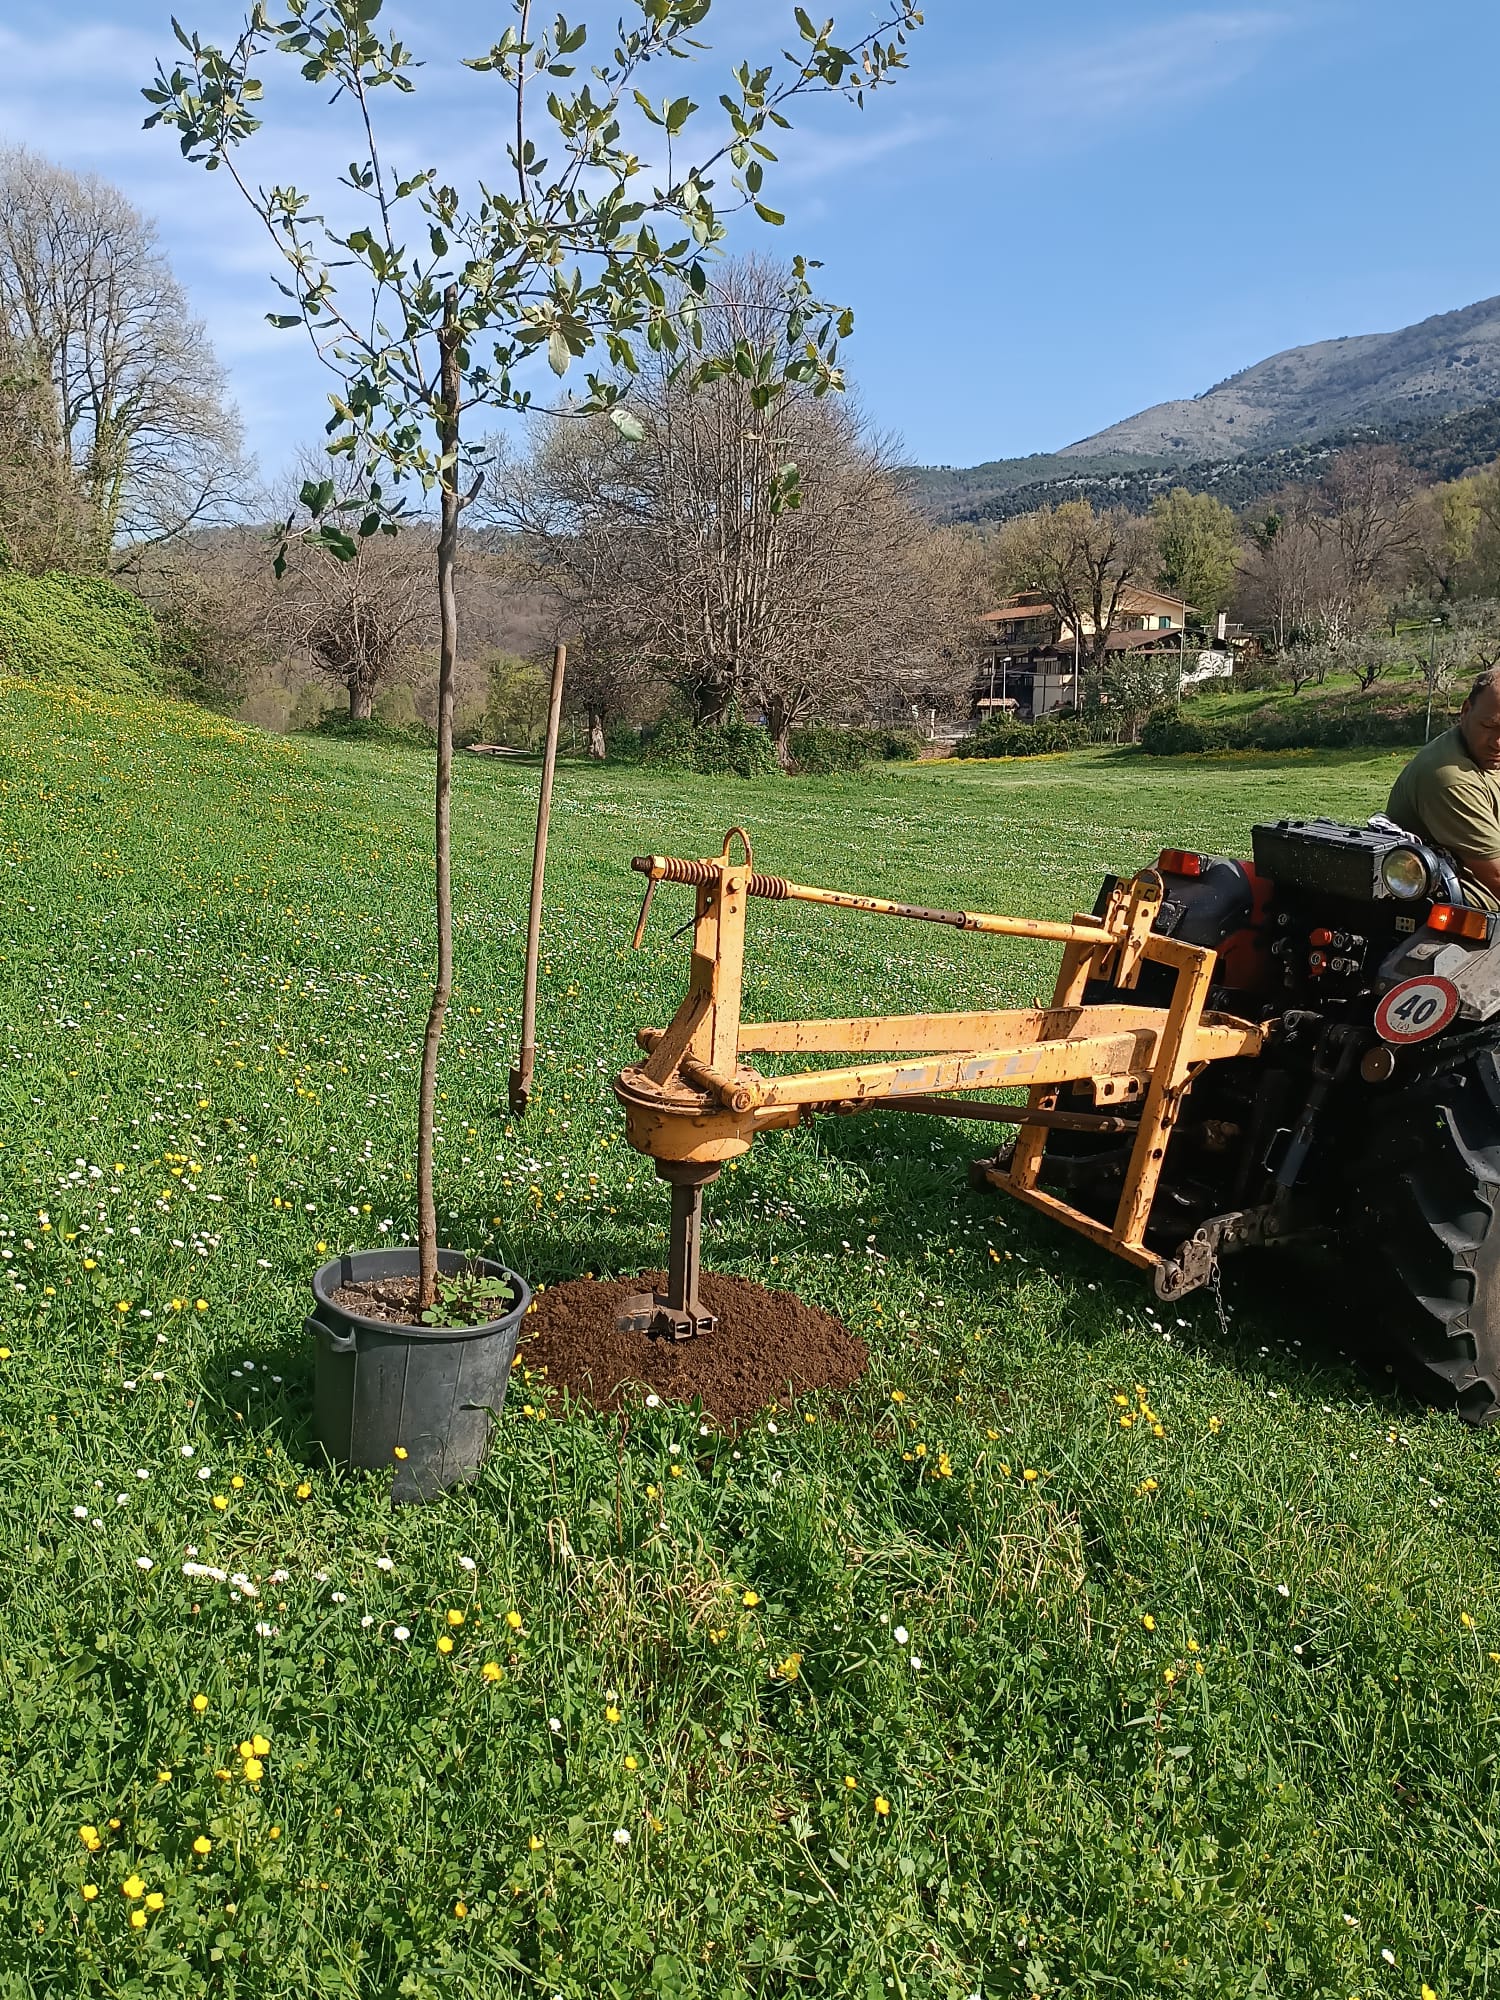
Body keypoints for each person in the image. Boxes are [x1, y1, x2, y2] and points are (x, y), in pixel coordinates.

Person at [1387, 666, 1500, 911]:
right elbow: (1496, 877)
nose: (1498, 742)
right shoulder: (1450, 778)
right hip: (1470, 912)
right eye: (1490, 726)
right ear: (1466, 711)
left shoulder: (1485, 757)